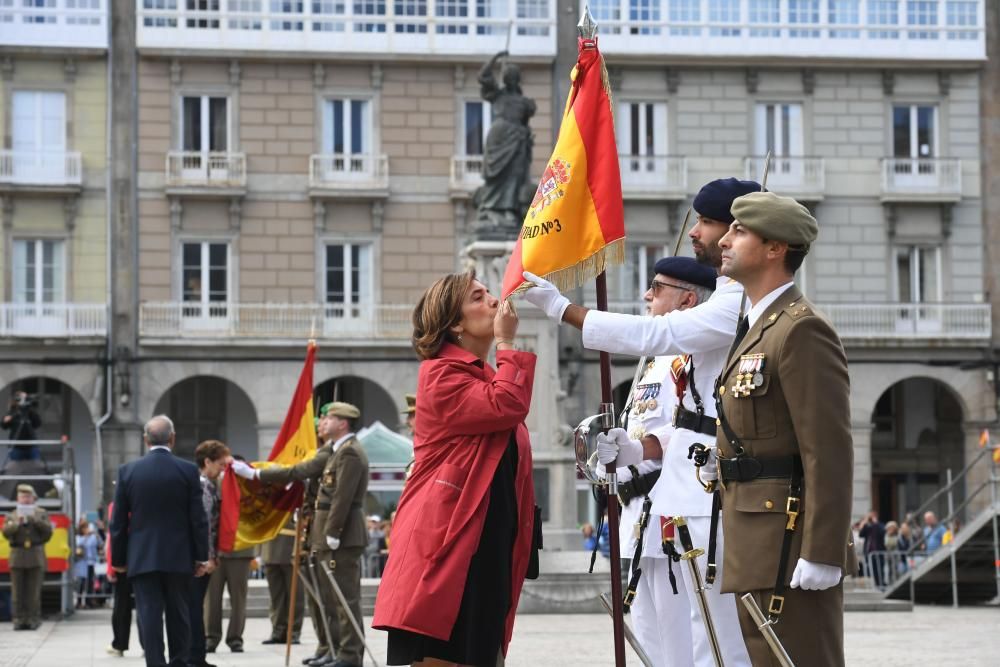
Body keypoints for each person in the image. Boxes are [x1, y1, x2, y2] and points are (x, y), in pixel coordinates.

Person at [711, 192, 854, 664]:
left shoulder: (799, 329)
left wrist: (824, 550)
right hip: (755, 535)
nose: (724, 240)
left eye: (739, 231)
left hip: (790, 541)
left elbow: (828, 449)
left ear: (775, 249)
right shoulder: (757, 326)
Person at [372, 271, 540, 667]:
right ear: (455, 324)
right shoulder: (441, 375)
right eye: (479, 298)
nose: (495, 301)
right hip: (450, 545)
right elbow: (508, 406)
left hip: (482, 543)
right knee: (446, 656)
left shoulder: (482, 375)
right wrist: (507, 343)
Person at [595, 256, 751, 666]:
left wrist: (640, 450)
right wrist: (616, 453)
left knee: (685, 645)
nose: (647, 294)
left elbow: (683, 432)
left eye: (658, 287)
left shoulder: (686, 359)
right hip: (636, 518)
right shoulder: (653, 362)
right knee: (652, 644)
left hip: (670, 515)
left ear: (686, 300)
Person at [233, 401, 370, 667]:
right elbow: (298, 471)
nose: (322, 423)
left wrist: (333, 531)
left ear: (343, 423)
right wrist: (256, 474)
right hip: (326, 535)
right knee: (329, 599)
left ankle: (350, 655)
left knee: (345, 599)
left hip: (341, 536)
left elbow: (343, 497)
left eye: (328, 419)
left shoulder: (350, 453)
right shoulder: (334, 451)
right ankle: (333, 648)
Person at [110, 415, 209, 667]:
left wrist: (119, 560)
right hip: (179, 555)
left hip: (142, 556)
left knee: (149, 615)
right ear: (173, 438)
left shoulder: (128, 471)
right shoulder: (188, 470)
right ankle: (178, 662)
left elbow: (118, 522)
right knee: (179, 614)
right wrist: (201, 557)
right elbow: (198, 519)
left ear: (145, 440)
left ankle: (155, 663)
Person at [473, 50, 537, 236]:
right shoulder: (497, 95)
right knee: (495, 177)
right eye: (508, 76)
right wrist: (496, 57)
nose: (510, 79)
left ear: (517, 79)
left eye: (513, 76)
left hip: (517, 140)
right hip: (499, 138)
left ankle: (510, 210)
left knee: (514, 176)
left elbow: (527, 123)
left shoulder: (525, 103)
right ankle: (489, 209)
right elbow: (483, 76)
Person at [190, 440, 230, 667]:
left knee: (194, 606)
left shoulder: (203, 484)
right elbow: (204, 524)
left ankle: (195, 656)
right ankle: (195, 657)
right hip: (201, 558)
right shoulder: (204, 486)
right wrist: (207, 558)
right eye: (220, 464)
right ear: (207, 462)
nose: (223, 469)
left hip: (198, 555)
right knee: (195, 607)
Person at [2, 484, 53, 630]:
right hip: (17, 555)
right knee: (17, 592)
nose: (25, 500)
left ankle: (33, 619)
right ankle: (18, 619)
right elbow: (6, 532)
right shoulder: (12, 515)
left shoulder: (41, 513)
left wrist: (35, 520)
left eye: (28, 497)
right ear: (18, 499)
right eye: (22, 497)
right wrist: (17, 523)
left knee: (34, 591)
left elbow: (48, 533)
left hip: (35, 554)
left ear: (33, 498)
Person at [106, 499, 142, 657]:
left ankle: (119, 644)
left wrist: (111, 567)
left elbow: (113, 536)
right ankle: (149, 645)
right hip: (143, 559)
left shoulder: (116, 505)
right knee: (147, 604)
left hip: (122, 562)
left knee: (121, 605)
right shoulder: (144, 501)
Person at [261, 517, 304, 646]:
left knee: (295, 594)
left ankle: (293, 632)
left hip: (291, 544)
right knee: (276, 596)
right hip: (270, 544)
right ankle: (277, 631)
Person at [0, 391, 47, 500]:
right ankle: (14, 494)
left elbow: (37, 423)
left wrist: (29, 409)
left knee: (35, 469)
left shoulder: (30, 412)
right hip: (17, 447)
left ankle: (35, 494)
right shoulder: (13, 411)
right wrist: (14, 415)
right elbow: (4, 424)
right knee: (15, 470)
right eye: (20, 398)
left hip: (30, 446)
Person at [73, 518, 104, 608]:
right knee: (81, 583)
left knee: (90, 583)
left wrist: (98, 534)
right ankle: (78, 602)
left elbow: (101, 543)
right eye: (84, 528)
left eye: (87, 527)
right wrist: (86, 537)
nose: (86, 529)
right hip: (81, 563)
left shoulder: (93, 537)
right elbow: (78, 545)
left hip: (91, 562)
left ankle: (88, 601)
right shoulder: (79, 537)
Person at [857, 511, 886, 589]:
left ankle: (880, 585)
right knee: (870, 570)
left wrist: (875, 523)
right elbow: (861, 534)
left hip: (878, 552)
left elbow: (882, 532)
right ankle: (872, 586)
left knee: (879, 569)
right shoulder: (868, 527)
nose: (871, 518)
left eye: (872, 516)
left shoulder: (880, 525)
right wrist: (865, 522)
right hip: (869, 553)